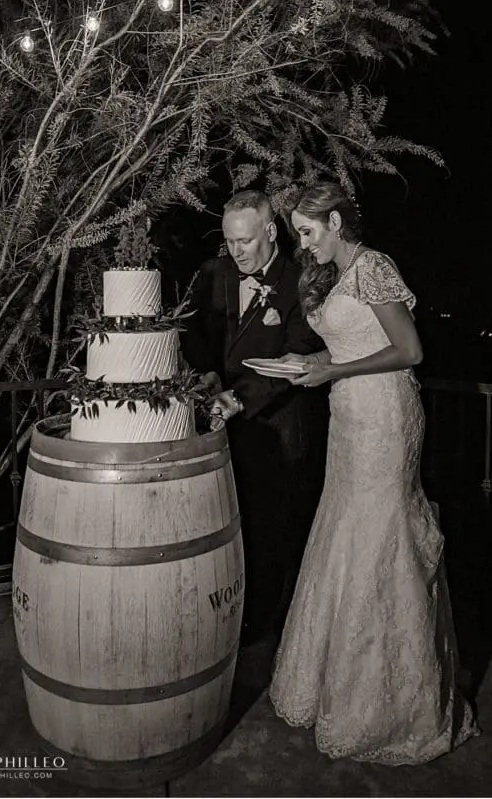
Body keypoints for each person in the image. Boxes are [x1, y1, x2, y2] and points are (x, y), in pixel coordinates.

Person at [269, 181, 478, 764]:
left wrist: (331, 372)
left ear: (335, 222)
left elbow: (409, 350)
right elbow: (347, 348)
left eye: (307, 232)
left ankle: (392, 707)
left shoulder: (374, 266)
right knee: (345, 531)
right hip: (350, 422)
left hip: (386, 418)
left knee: (379, 538)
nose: (302, 245)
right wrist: (310, 361)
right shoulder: (336, 275)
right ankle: (332, 683)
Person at [181, 190, 328, 644]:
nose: (236, 251)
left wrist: (238, 398)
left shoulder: (301, 279)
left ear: (269, 231)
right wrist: (207, 375)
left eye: (244, 241)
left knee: (271, 532)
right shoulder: (211, 273)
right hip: (219, 428)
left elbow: (299, 353)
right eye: (229, 241)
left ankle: (264, 631)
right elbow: (193, 332)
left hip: (276, 427)